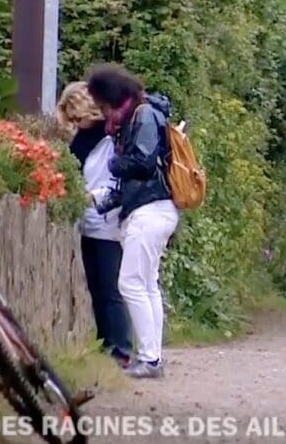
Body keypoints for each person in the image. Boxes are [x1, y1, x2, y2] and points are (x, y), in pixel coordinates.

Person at [86, 64, 179, 380]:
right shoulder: (140, 116)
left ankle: (150, 359)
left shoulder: (142, 116)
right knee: (147, 285)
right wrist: (100, 199)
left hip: (148, 212)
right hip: (151, 210)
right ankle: (151, 356)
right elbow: (133, 179)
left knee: (130, 283)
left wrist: (113, 163)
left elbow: (142, 162)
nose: (103, 112)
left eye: (102, 103)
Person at [56, 81, 134, 369]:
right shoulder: (81, 139)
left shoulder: (110, 137)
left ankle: (121, 348)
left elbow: (115, 178)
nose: (76, 123)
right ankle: (107, 343)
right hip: (89, 219)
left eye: (77, 116)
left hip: (107, 218)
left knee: (110, 287)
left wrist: (95, 197)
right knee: (96, 287)